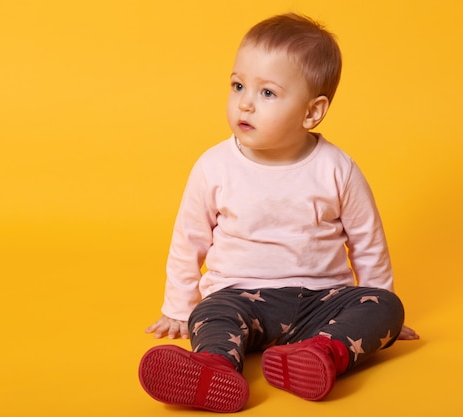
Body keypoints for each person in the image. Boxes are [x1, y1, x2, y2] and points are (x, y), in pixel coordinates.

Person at [138, 13, 419, 413]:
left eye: (267, 93)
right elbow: (189, 238)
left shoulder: (337, 169)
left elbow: (367, 242)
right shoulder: (213, 166)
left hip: (322, 303)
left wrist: (380, 313)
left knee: (387, 306)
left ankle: (322, 354)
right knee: (211, 312)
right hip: (238, 298)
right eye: (238, 86)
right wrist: (178, 309)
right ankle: (215, 366)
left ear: (311, 112)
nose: (245, 102)